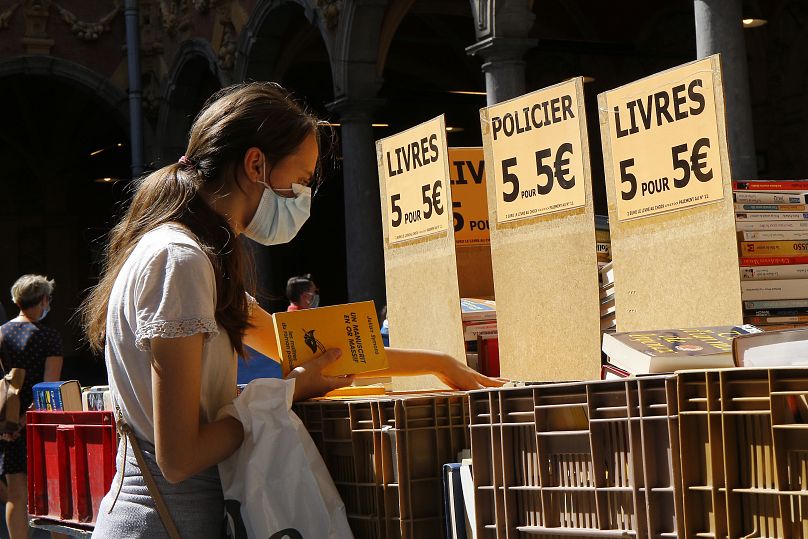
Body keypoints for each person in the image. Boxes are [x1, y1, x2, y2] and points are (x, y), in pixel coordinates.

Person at [79, 82, 502, 538]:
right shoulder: (180, 261)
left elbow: (316, 347)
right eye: (300, 179)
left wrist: (439, 364)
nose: (303, 196)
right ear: (256, 164)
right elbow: (179, 457)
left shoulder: (194, 259)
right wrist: (284, 394)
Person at [0, 275, 63, 539]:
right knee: (55, 494)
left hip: (7, 425)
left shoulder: (1, 333)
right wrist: (27, 420)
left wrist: (10, 423)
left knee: (16, 494)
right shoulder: (49, 336)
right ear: (43, 300)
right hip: (42, 425)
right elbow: (48, 388)